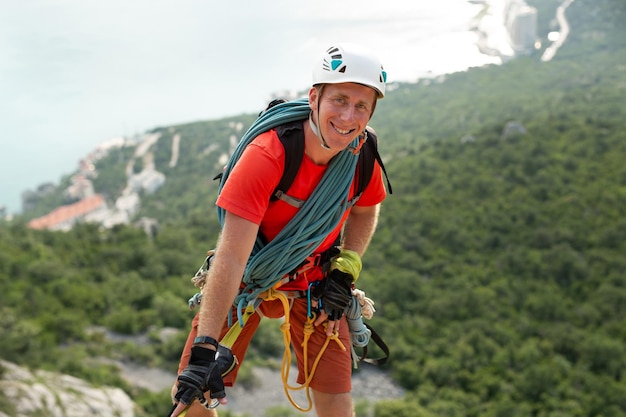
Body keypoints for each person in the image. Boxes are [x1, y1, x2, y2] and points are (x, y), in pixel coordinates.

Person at [170, 42, 389, 417]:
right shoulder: (268, 154)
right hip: (247, 271)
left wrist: (346, 266)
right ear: (314, 97)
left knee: (335, 396)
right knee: (192, 393)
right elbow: (232, 254)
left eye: (361, 106)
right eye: (339, 100)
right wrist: (206, 348)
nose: (349, 116)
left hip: (316, 277)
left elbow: (366, 211)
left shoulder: (361, 153)